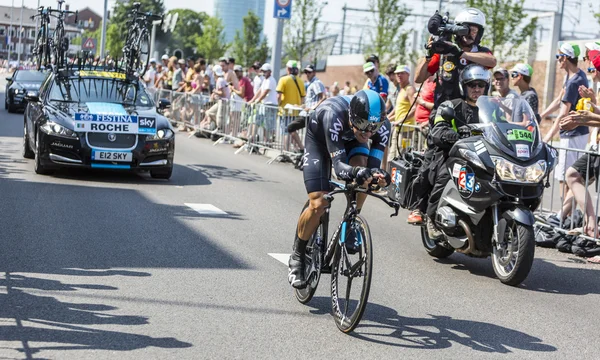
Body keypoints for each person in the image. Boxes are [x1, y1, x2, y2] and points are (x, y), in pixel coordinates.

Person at [288, 89, 392, 288]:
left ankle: (352, 220)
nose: (368, 132)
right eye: (363, 124)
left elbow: (373, 167)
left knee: (364, 174)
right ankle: (298, 255)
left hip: (350, 140)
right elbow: (339, 168)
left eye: (374, 127)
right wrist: (358, 173)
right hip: (320, 140)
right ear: (353, 116)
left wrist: (379, 177)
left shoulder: (382, 126)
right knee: (319, 202)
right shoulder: (333, 115)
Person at [425, 64, 491, 239]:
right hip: (453, 155)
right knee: (446, 176)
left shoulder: (492, 109)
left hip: (484, 157)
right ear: (464, 86)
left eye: (481, 85)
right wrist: (458, 135)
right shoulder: (451, 106)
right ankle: (431, 218)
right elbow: (438, 131)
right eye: (472, 85)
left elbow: (502, 129)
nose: (476, 89)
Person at [415, 7, 496, 115]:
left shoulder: (481, 52)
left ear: (479, 33)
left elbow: (492, 61)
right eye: (466, 29)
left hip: (472, 115)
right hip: (444, 113)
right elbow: (419, 79)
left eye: (474, 31)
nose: (470, 34)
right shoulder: (445, 53)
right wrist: (428, 56)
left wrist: (460, 53)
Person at [541, 43, 589, 188]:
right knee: (571, 177)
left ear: (565, 58)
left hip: (572, 134)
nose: (557, 60)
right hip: (578, 133)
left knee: (565, 178)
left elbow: (563, 113)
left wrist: (547, 138)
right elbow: (559, 99)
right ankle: (571, 211)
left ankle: (567, 211)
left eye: (558, 56)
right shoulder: (576, 75)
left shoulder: (574, 81)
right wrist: (541, 115)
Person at [276, 60, 306, 152]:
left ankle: (285, 151)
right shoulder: (301, 81)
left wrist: (279, 105)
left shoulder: (283, 79)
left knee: (286, 131)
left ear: (288, 69)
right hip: (295, 111)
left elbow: (279, 96)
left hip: (285, 111)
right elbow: (302, 98)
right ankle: (298, 148)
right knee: (292, 131)